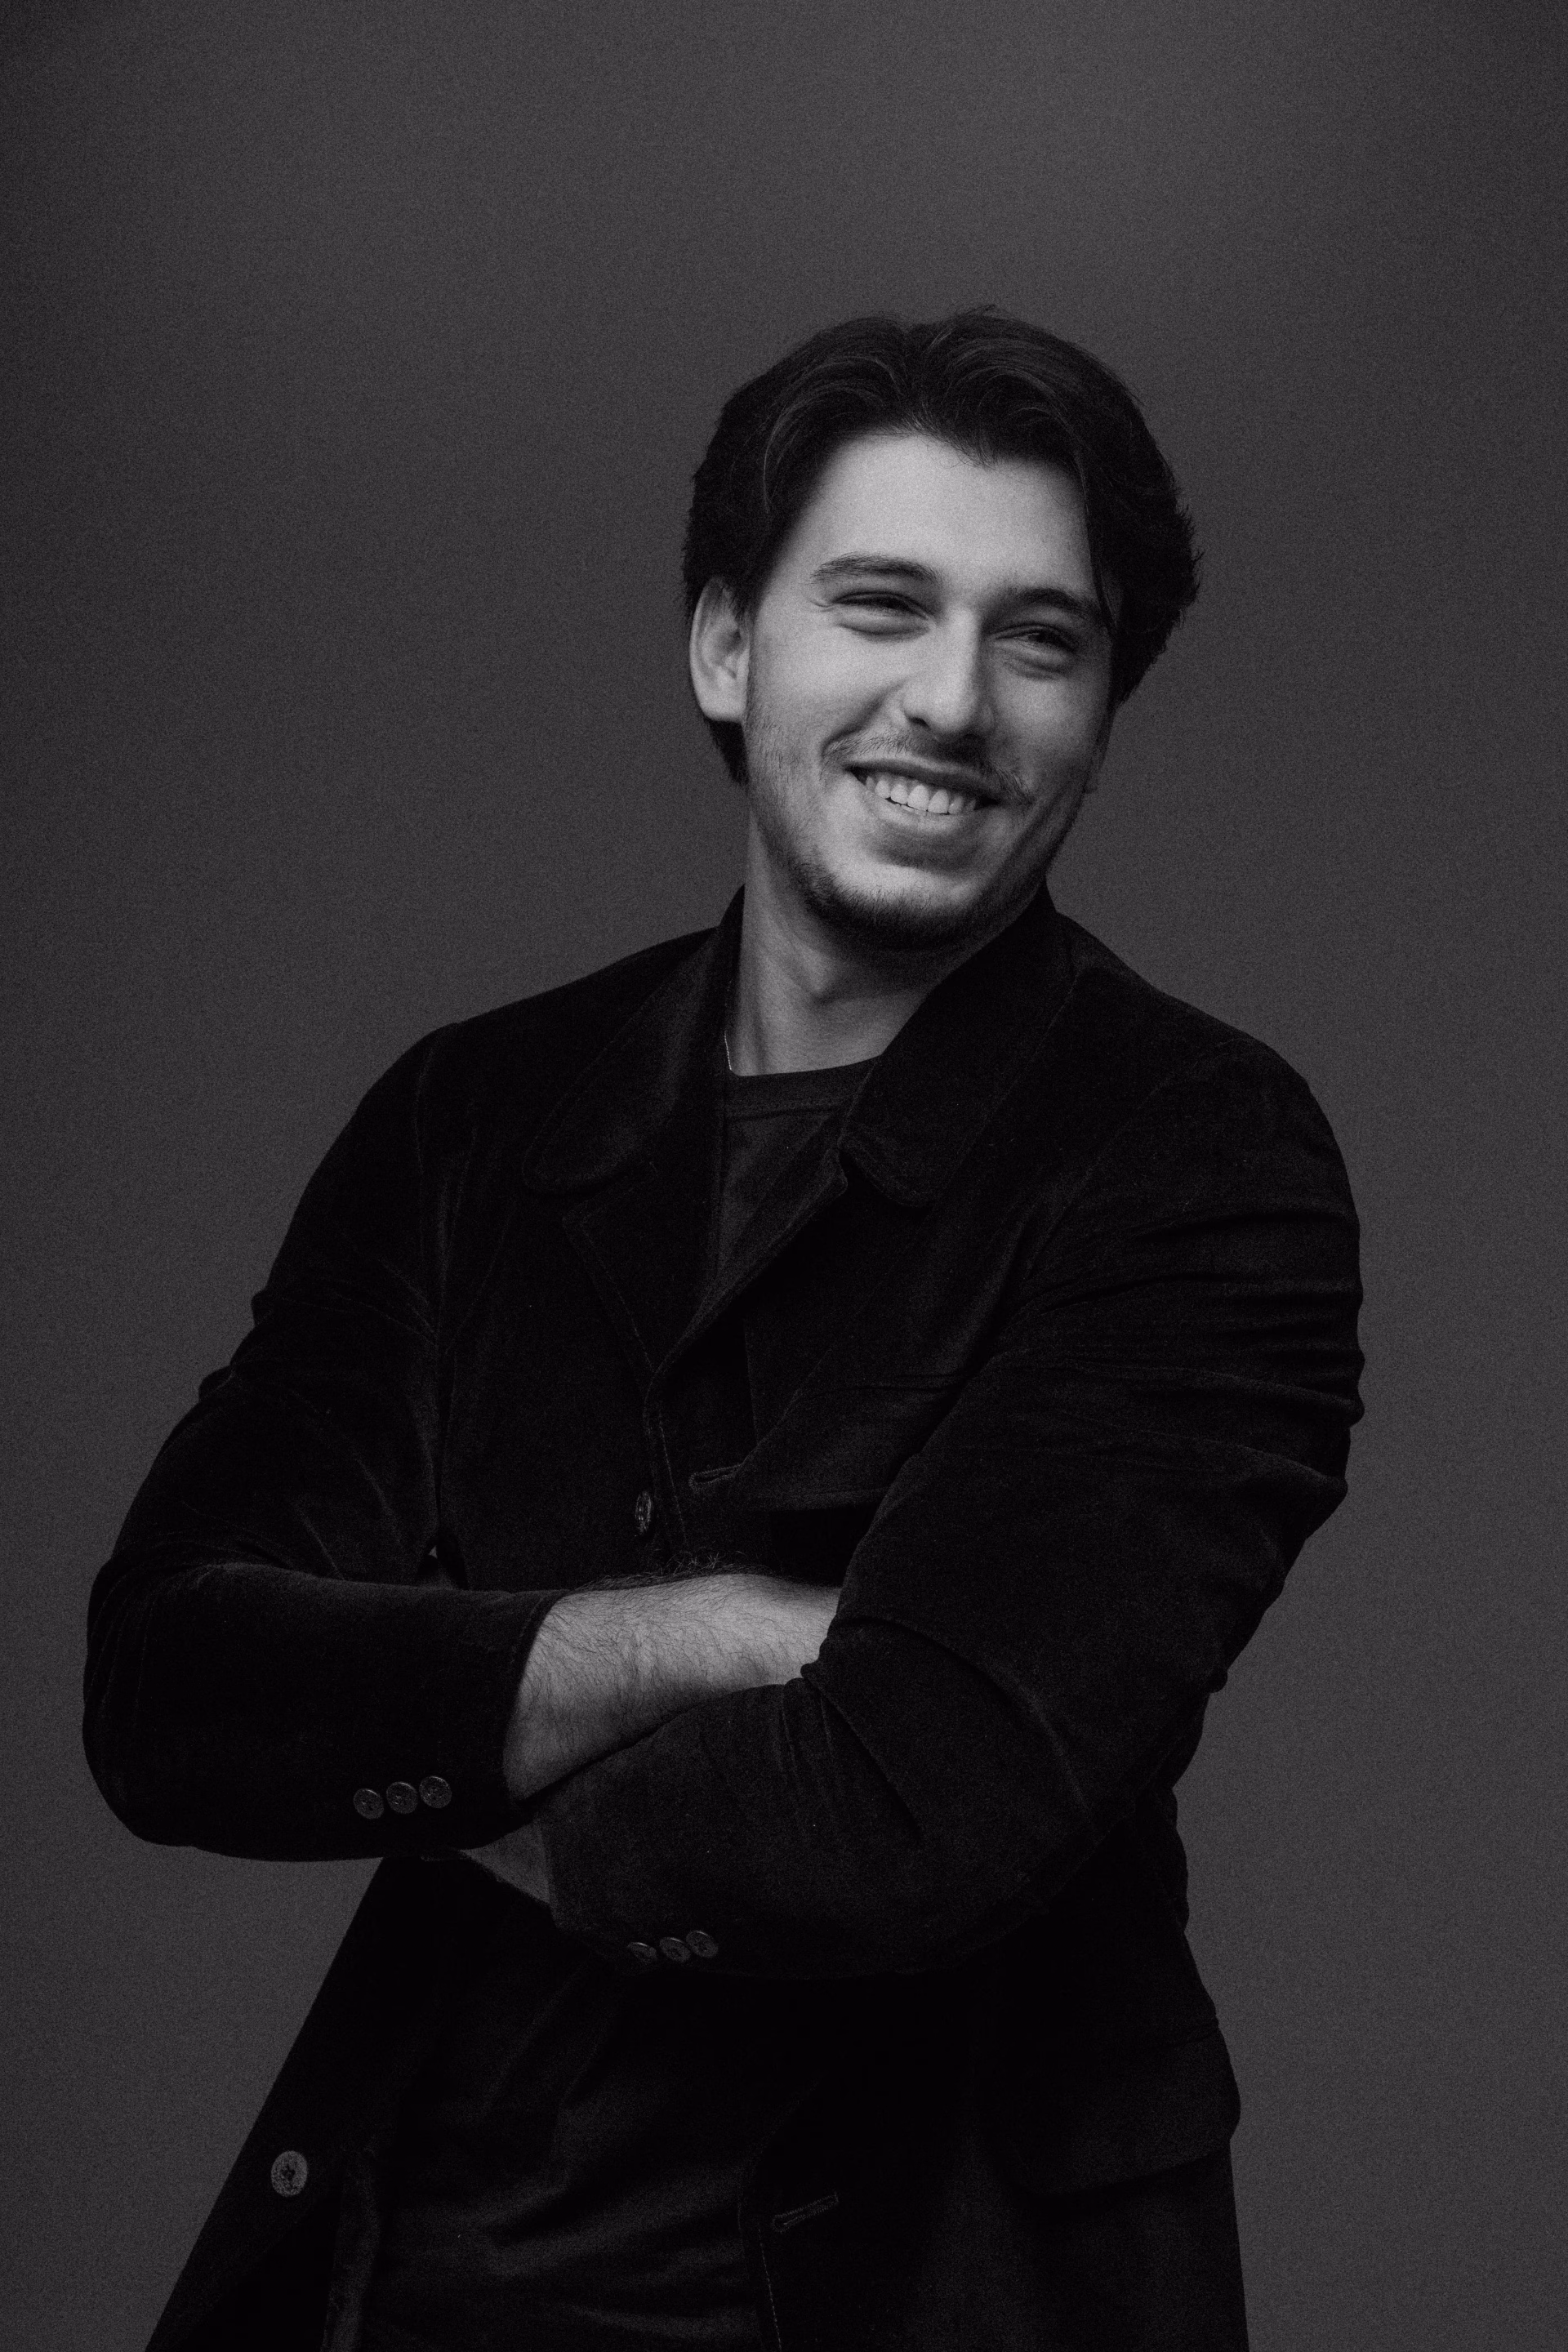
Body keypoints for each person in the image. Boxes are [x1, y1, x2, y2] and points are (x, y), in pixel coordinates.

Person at [85, 307, 1364, 2351]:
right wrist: (689, 1637)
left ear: (1104, 707)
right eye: (881, 604)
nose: (954, 699)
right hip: (403, 2275)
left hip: (935, 2293)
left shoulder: (1199, 1152)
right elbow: (172, 1689)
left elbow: (906, 1819)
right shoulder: (475, 1116)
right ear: (725, 647)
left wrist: (421, 1713)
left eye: (1042, 639)